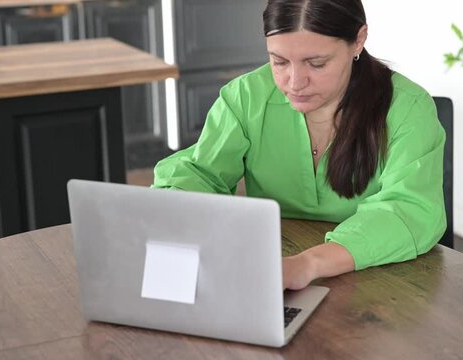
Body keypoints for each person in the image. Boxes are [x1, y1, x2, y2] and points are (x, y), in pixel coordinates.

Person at [153, 0, 446, 290]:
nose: (294, 82)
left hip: (380, 280)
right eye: (278, 61)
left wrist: (308, 264)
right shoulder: (246, 96)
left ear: (359, 40)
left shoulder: (409, 109)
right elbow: (200, 172)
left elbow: (409, 210)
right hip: (269, 270)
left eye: (316, 63)